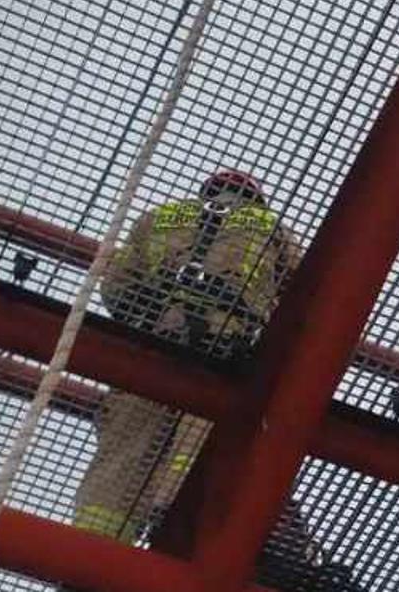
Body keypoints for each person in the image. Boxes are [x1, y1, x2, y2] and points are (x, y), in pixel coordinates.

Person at [71, 170, 361, 590]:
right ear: (255, 199)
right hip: (223, 354)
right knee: (210, 447)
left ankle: (87, 556)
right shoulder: (268, 227)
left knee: (122, 459)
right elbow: (311, 297)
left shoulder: (160, 217)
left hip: (150, 353)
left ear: (205, 191)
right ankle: (196, 519)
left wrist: (149, 316)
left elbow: (117, 286)